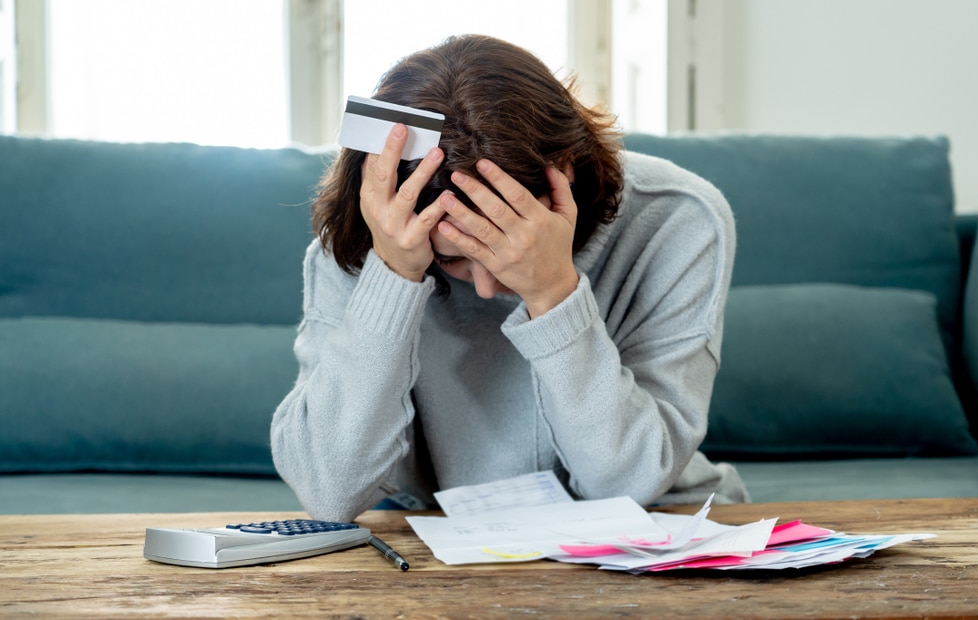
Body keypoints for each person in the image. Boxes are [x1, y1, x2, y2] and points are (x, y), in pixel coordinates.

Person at [270, 34, 749, 522]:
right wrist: (393, 274)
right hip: (442, 530)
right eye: (452, 261)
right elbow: (329, 491)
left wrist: (553, 294)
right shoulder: (376, 227)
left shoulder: (679, 218)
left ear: (567, 173)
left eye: (503, 257)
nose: (485, 289)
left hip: (657, 517)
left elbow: (624, 485)